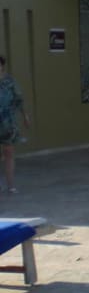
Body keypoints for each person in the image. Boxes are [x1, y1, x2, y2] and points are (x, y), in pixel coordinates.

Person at [0, 55, 30, 194]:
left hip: (8, 123)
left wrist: (25, 116)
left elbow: (19, 100)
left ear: (2, 66)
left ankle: (10, 185)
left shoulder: (10, 82)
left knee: (9, 153)